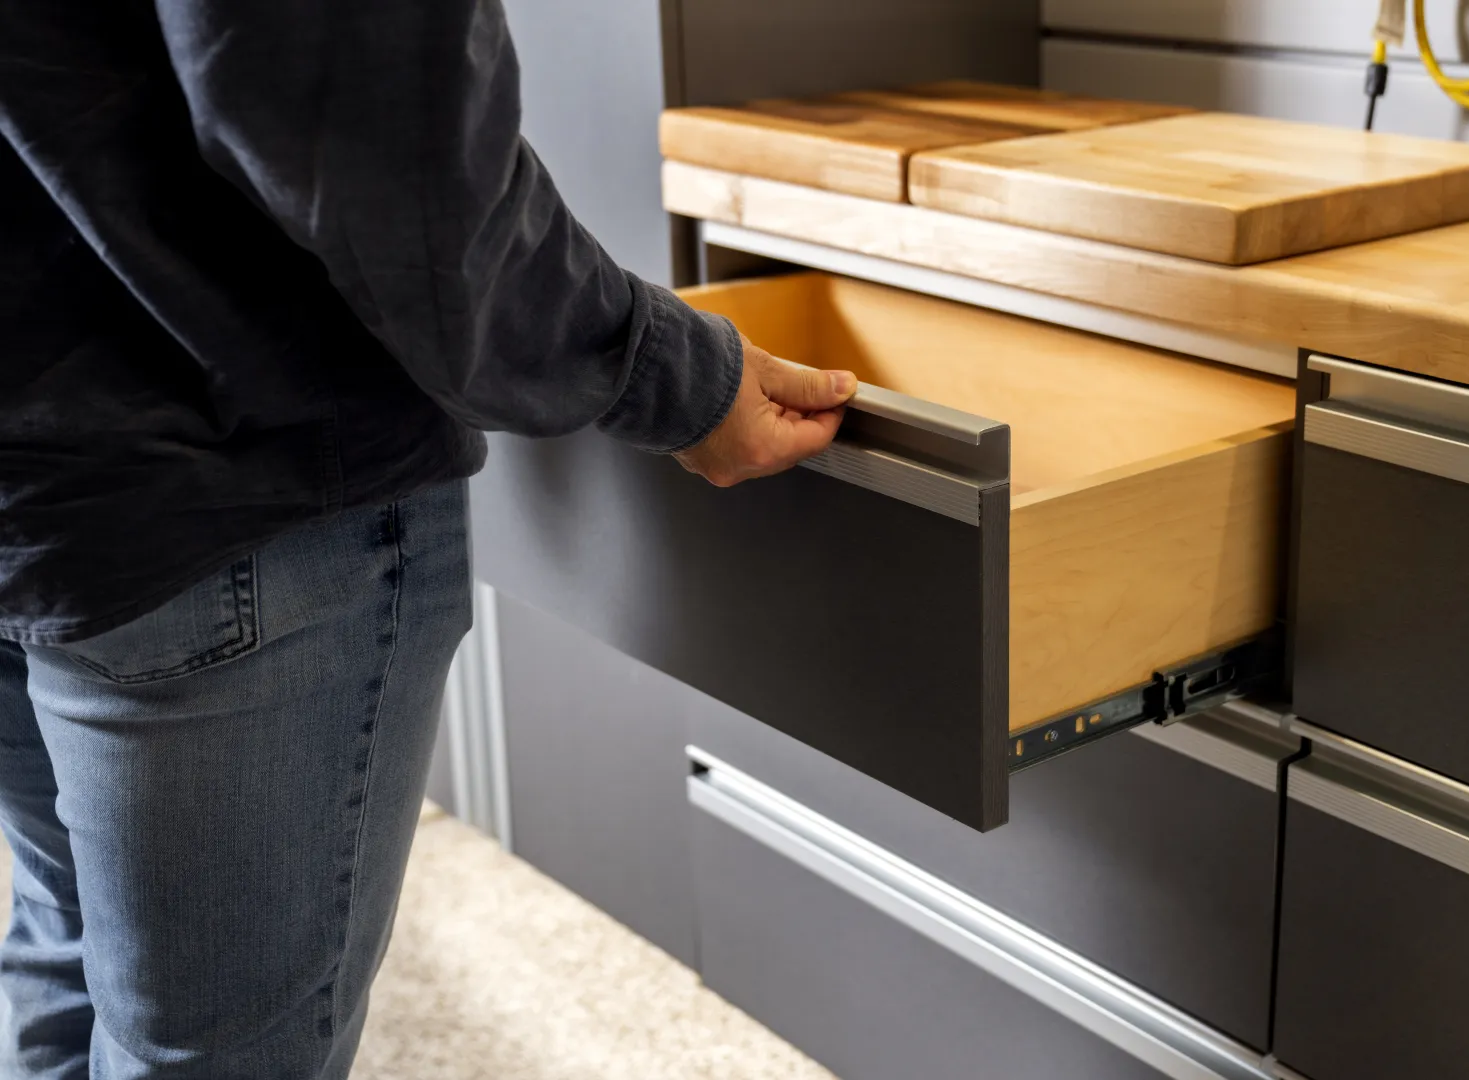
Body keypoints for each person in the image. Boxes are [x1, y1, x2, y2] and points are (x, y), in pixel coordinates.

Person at [0, 2, 853, 1076]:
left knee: (73, 943)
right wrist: (661, 373)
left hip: (38, 465)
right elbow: (378, 139)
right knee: (206, 1049)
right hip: (226, 493)